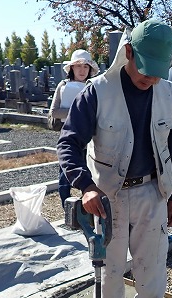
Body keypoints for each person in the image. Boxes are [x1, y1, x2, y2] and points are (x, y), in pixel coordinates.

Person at [57, 19, 172, 298]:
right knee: (110, 269)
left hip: (152, 194)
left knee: (151, 269)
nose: (151, 79)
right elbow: (69, 144)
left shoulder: (169, 93)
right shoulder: (97, 91)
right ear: (127, 53)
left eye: (158, 72)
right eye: (145, 70)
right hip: (106, 198)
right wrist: (84, 186)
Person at [48, 49, 99, 207]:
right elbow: (54, 111)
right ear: (71, 68)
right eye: (78, 66)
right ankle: (67, 209)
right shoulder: (63, 85)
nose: (82, 70)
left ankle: (90, 209)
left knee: (91, 172)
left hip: (91, 138)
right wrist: (78, 111)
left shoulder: (95, 86)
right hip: (70, 135)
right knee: (66, 173)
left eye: (85, 67)